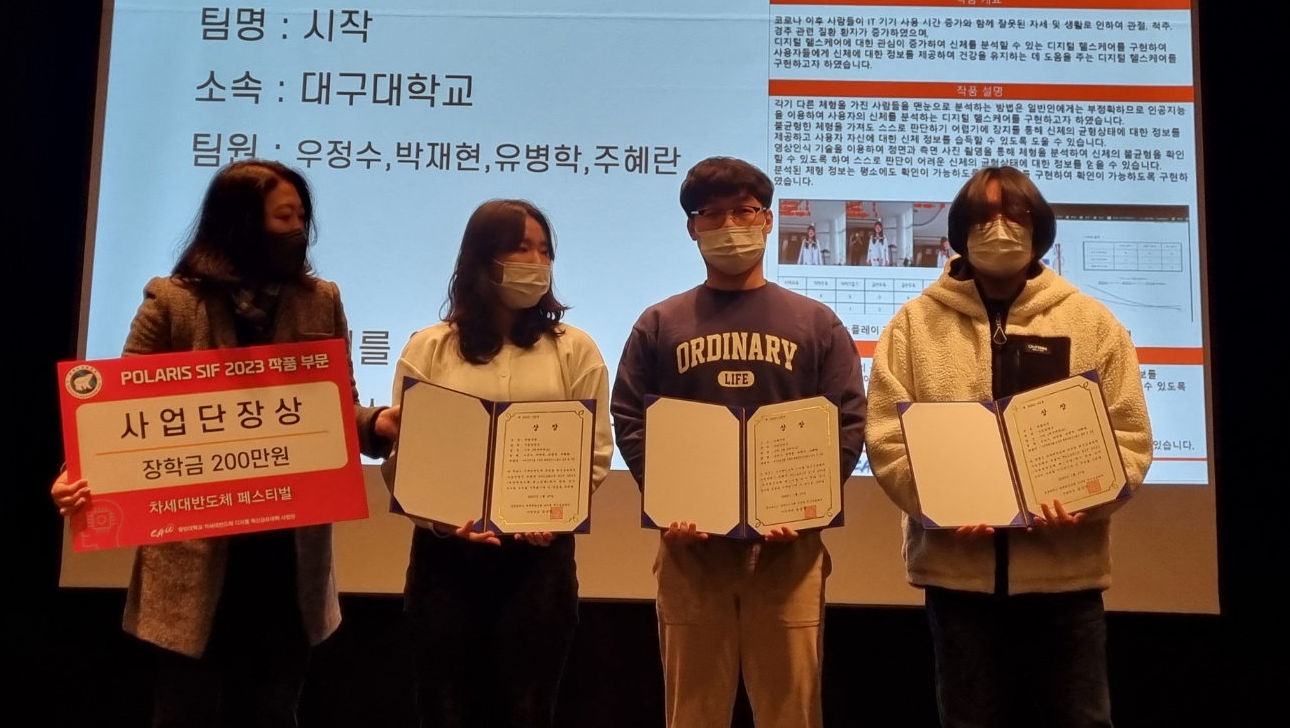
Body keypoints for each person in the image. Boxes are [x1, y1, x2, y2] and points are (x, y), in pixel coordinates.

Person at [52, 160, 397, 728]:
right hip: (195, 552)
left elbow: (337, 411)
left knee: (273, 710)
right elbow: (116, 413)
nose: (298, 229)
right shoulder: (172, 301)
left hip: (287, 556)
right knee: (184, 711)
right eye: (284, 216)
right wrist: (78, 474)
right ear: (240, 223)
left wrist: (376, 424)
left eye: (302, 216)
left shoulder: (321, 299)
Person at [865, 166, 1152, 728]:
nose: (999, 228)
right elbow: (887, 437)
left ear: (1038, 225)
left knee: (1082, 720)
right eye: (983, 216)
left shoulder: (1092, 323)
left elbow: (1130, 436)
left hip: (1066, 575)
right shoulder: (914, 326)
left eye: (1014, 214)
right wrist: (938, 504)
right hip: (958, 578)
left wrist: (1087, 500)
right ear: (960, 229)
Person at [612, 157, 866, 728]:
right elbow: (629, 416)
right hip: (691, 551)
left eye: (744, 211)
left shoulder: (816, 323)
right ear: (692, 227)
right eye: (712, 213)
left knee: (791, 713)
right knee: (692, 714)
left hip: (788, 554)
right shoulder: (660, 323)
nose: (730, 225)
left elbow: (848, 420)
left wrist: (808, 505)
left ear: (768, 220)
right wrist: (667, 499)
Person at [390, 199, 612, 728]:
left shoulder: (575, 349)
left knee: (529, 710)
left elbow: (596, 450)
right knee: (444, 707)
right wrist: (441, 519)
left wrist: (554, 511)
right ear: (481, 259)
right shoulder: (430, 348)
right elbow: (404, 454)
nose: (536, 262)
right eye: (520, 249)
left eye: (544, 251)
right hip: (446, 558)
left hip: (538, 562)